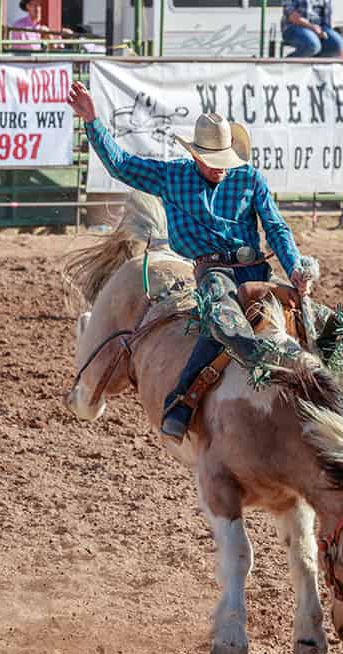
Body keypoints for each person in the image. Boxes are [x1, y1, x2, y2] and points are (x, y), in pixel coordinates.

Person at [66, 80, 313, 438]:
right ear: (196, 155)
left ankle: (320, 399)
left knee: (317, 321)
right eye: (213, 162)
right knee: (222, 317)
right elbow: (120, 165)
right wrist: (92, 121)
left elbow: (276, 226)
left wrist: (295, 268)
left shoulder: (250, 179)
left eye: (224, 161)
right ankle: (191, 396)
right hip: (213, 270)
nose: (221, 169)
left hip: (255, 269)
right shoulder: (173, 177)